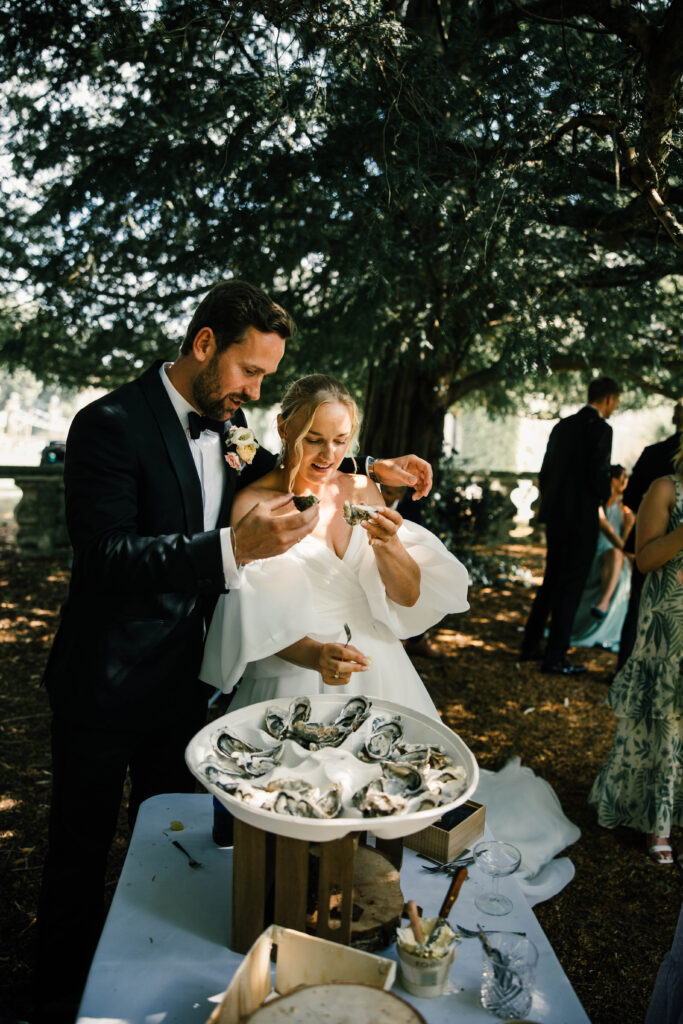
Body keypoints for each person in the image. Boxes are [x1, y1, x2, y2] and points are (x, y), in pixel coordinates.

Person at [34, 281, 433, 1024]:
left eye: (265, 378)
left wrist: (372, 464)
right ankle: (58, 994)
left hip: (190, 685)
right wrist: (228, 550)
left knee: (181, 845)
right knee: (80, 852)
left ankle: (155, 982)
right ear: (204, 344)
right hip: (107, 681)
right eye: (249, 371)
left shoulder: (231, 423)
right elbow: (104, 555)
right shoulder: (109, 423)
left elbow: (295, 456)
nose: (253, 390)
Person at [200, 374, 470, 719]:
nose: (328, 455)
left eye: (341, 441)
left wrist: (389, 545)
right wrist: (316, 656)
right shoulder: (254, 506)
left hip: (381, 668)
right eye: (314, 440)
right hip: (296, 675)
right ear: (283, 427)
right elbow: (257, 619)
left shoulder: (362, 489)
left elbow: (407, 596)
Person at [588, 436, 683, 865]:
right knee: (664, 723)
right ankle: (657, 822)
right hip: (668, 624)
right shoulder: (666, 488)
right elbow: (643, 559)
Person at [519, 376, 620, 675]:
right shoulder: (601, 429)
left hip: (556, 516)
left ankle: (530, 645)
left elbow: (545, 472)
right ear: (609, 398)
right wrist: (606, 493)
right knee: (571, 585)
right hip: (582, 518)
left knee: (552, 579)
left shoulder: (562, 426)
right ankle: (556, 657)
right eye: (616, 402)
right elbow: (598, 474)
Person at [617, 399, 683, 668]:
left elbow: (631, 498)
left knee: (637, 608)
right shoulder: (666, 480)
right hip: (654, 553)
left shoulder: (653, 452)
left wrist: (649, 517)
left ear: (675, 418)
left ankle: (625, 666)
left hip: (647, 538)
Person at [570, 465, 634, 652]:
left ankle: (605, 609)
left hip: (615, 555)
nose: (625, 482)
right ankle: (603, 603)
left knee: (619, 560)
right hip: (596, 554)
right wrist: (626, 550)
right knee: (616, 555)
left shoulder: (623, 508)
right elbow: (609, 533)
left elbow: (624, 539)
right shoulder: (598, 504)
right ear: (613, 480)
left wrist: (628, 527)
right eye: (622, 478)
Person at [379, 482, 441, 658]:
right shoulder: (371, 498)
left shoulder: (411, 506)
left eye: (390, 492)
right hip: (372, 552)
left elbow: (417, 536)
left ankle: (416, 640)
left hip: (402, 553)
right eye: (385, 490)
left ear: (401, 494)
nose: (386, 496)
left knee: (415, 587)